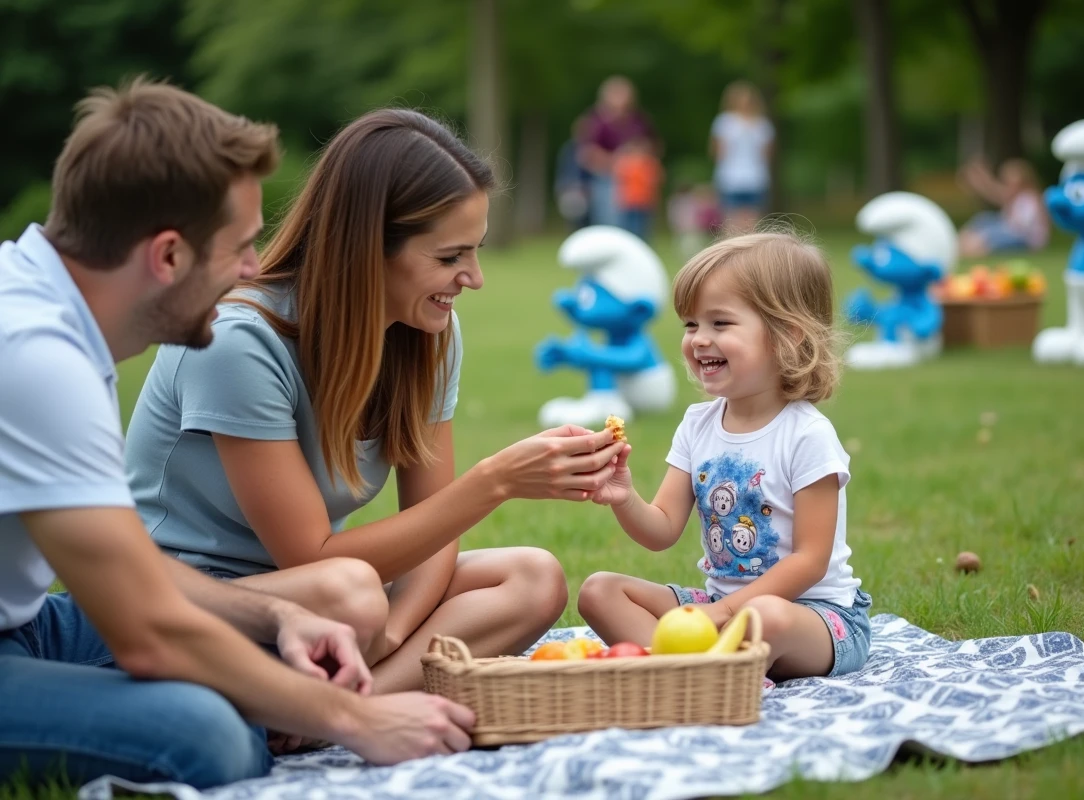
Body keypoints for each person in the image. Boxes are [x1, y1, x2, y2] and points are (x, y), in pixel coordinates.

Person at [0, 78, 480, 790]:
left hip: (31, 628)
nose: (257, 270)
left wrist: (277, 616)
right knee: (208, 738)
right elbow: (148, 628)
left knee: (243, 689)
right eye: (242, 247)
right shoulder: (36, 358)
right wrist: (356, 719)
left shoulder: (53, 324)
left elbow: (136, 575)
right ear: (168, 255)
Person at [123, 107, 625, 696]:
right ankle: (321, 694)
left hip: (328, 602)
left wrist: (393, 633)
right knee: (352, 595)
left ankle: (353, 699)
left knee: (533, 576)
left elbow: (432, 535)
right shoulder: (238, 341)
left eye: (475, 250)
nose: (475, 277)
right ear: (366, 248)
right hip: (188, 597)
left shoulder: (428, 334)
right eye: (449, 257)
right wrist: (495, 480)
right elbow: (310, 556)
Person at [578, 232, 873, 681]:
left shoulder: (807, 434)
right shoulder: (698, 424)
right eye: (691, 325)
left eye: (720, 323)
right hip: (721, 606)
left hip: (814, 617)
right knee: (599, 591)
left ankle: (687, 669)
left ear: (785, 335)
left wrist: (727, 615)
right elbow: (661, 531)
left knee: (764, 617)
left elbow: (810, 560)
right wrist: (624, 497)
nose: (699, 340)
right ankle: (692, 675)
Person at [576, 76, 658, 228]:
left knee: (638, 225)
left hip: (637, 181)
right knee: (611, 224)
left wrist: (637, 153)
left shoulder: (638, 120)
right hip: (609, 180)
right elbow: (586, 153)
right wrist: (616, 161)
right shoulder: (597, 122)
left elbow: (654, 145)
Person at [709, 81, 774, 234]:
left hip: (755, 177)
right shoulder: (725, 122)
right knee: (730, 220)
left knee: (751, 220)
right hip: (731, 177)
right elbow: (718, 152)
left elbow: (766, 154)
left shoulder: (762, 125)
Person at [957, 156, 1051, 259]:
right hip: (1013, 232)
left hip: (1025, 239)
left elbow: (1020, 228)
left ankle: (971, 249)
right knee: (983, 219)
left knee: (988, 235)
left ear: (1023, 183)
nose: (1008, 187)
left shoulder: (1028, 199)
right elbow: (994, 192)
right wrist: (981, 177)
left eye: (1012, 184)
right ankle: (962, 246)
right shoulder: (1018, 198)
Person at [612, 135, 663, 242]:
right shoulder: (626, 162)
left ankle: (639, 243)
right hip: (629, 202)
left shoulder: (649, 163)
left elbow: (655, 179)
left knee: (641, 229)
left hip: (643, 202)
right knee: (629, 228)